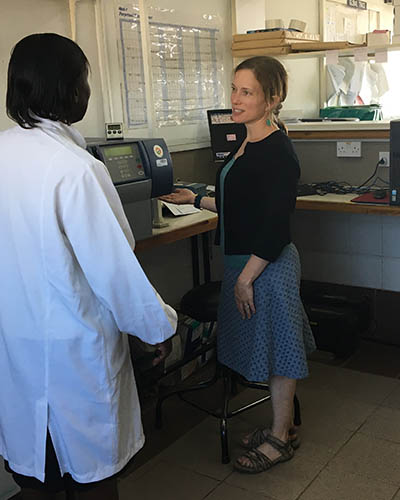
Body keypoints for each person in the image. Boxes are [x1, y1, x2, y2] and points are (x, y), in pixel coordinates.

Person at [0, 33, 177, 499]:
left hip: (16, 347)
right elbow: (114, 272)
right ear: (67, 87)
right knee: (89, 480)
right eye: (84, 79)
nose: (87, 90)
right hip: (74, 356)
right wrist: (157, 329)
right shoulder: (75, 168)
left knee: (36, 474)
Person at [160, 56, 315, 474]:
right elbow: (241, 205)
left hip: (266, 266)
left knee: (280, 351)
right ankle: (282, 427)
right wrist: (195, 199)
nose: (236, 98)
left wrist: (246, 280)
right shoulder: (246, 140)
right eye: (234, 88)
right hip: (245, 262)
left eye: (247, 92)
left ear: (272, 99)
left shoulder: (278, 151)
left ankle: (280, 438)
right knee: (267, 345)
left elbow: (275, 227)